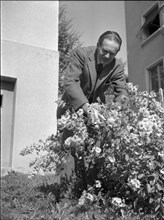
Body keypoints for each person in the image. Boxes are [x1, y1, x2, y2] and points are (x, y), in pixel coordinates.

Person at [57, 31, 128, 194]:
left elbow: (122, 92)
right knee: (70, 151)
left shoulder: (117, 65)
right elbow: (70, 82)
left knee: (95, 151)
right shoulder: (81, 54)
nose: (107, 55)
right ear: (98, 46)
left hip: (96, 113)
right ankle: (65, 197)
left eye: (112, 53)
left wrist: (116, 109)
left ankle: (90, 195)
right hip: (73, 108)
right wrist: (85, 106)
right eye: (104, 50)